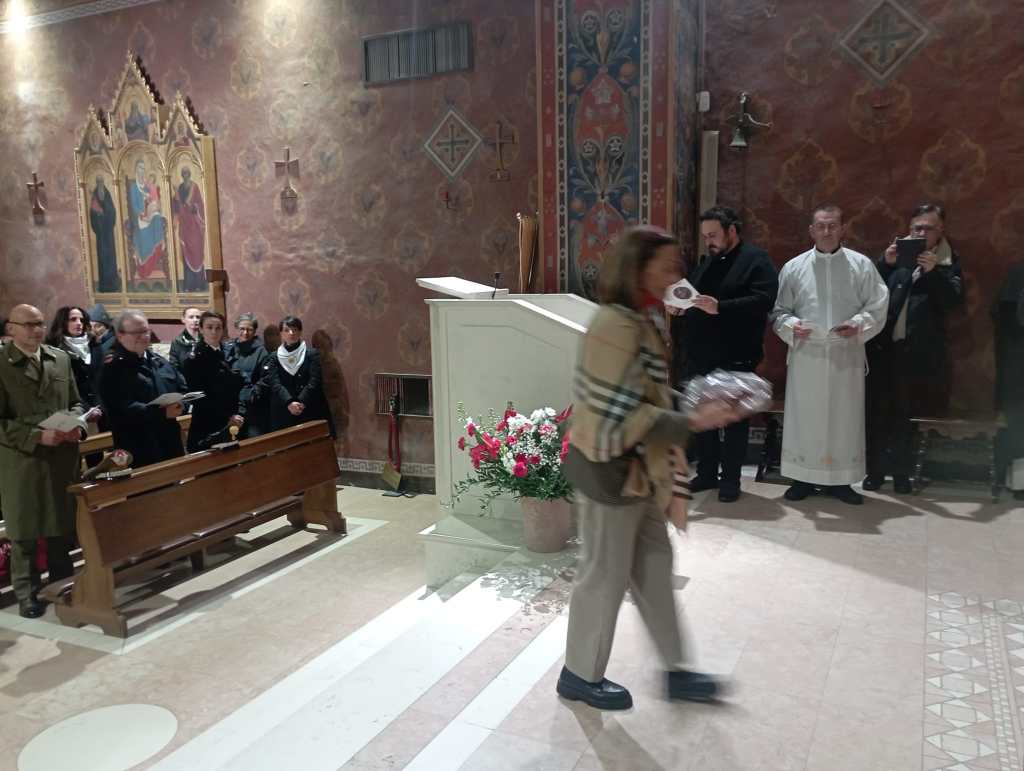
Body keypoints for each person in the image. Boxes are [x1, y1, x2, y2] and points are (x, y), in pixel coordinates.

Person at [557, 226, 743, 711]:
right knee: (603, 575)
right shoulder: (613, 324)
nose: (675, 273)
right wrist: (693, 420)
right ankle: (579, 674)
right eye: (666, 265)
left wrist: (697, 404)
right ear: (638, 268)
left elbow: (649, 395)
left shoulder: (645, 317)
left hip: (639, 469)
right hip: (610, 469)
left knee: (656, 569)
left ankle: (677, 672)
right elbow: (618, 413)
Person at [771, 204, 889, 505]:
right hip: (807, 355)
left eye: (832, 225)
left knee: (844, 418)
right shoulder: (794, 267)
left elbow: (877, 304)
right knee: (805, 417)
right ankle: (802, 478)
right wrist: (792, 326)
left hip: (844, 354)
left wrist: (858, 324)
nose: (826, 231)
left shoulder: (861, 265)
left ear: (842, 229)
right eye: (821, 226)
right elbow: (779, 311)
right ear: (811, 230)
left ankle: (841, 481)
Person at [670, 206, 778, 502]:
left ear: (732, 230)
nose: (710, 242)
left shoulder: (757, 260)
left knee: (733, 420)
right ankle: (706, 474)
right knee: (704, 416)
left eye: (714, 235)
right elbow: (693, 296)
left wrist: (721, 307)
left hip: (737, 353)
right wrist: (679, 307)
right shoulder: (707, 263)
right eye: (706, 237)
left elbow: (763, 300)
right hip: (703, 355)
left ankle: (730, 480)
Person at [864, 204, 964, 493]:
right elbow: (867, 292)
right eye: (915, 228)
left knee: (906, 416)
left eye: (927, 228)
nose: (921, 233)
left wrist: (933, 274)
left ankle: (902, 474)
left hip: (918, 354)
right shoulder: (897, 260)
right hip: (884, 350)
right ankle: (875, 471)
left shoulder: (948, 262)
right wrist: (884, 262)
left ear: (940, 230)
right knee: (877, 414)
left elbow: (953, 303)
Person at [0, 304, 83, 618]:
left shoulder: (58, 358)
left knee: (60, 526)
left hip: (61, 457)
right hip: (22, 461)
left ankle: (63, 585)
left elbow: (75, 402)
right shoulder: (2, 363)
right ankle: (28, 594)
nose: (36, 329)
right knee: (25, 532)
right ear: (11, 328)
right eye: (28, 324)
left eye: (40, 323)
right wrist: (36, 436)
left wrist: (78, 425)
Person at [98, 309, 187, 468]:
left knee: (176, 490)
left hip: (169, 440)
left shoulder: (156, 360)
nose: (144, 336)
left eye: (145, 331)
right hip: (139, 445)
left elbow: (180, 385)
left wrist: (182, 404)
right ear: (120, 335)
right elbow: (120, 407)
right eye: (136, 332)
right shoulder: (112, 367)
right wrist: (161, 412)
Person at [182, 311, 244, 452]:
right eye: (209, 327)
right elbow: (199, 397)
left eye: (218, 328)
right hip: (207, 425)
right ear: (201, 329)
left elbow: (235, 387)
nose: (214, 332)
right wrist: (228, 416)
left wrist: (237, 412)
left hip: (231, 422)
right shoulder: (194, 359)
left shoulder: (227, 352)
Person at [267, 316, 335, 436]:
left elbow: (315, 380)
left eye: (295, 329)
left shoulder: (311, 353)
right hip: (284, 408)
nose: (291, 333)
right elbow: (275, 383)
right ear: (281, 333)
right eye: (287, 330)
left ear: (300, 331)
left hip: (309, 406)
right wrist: (289, 403)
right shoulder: (274, 357)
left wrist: (300, 402)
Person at [45, 306, 104, 430]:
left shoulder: (95, 345)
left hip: (101, 410)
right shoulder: (54, 349)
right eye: (73, 319)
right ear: (62, 322)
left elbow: (102, 379)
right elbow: (60, 387)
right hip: (73, 412)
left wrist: (99, 406)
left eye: (81, 320)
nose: (79, 323)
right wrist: (87, 409)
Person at [994, 262, 1024, 499]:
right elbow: (1005, 316)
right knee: (1018, 423)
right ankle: (1020, 483)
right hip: (1018, 362)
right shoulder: (1019, 274)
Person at [226, 313, 272, 439]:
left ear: (254, 330)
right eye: (242, 329)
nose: (245, 333)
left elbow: (266, 379)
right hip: (232, 409)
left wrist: (251, 394)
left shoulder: (261, 351)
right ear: (237, 328)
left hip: (254, 409)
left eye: (249, 329)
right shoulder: (228, 349)